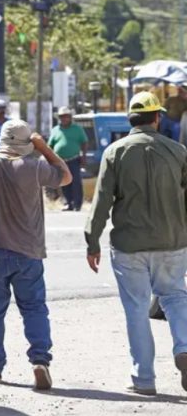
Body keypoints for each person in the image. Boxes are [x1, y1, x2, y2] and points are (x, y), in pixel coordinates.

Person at [85, 91, 187, 396]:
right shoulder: (178, 151)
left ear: (131, 119)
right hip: (172, 241)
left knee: (137, 309)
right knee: (175, 297)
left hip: (129, 246)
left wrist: (92, 242)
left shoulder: (115, 152)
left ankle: (144, 379)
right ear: (156, 118)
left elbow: (101, 202)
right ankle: (184, 347)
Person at [0, 119, 71, 391]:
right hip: (28, 251)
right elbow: (66, 176)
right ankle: (39, 359)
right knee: (33, 308)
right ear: (26, 143)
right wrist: (44, 147)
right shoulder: (35, 167)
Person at [48, 106, 88, 211]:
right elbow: (50, 145)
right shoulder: (55, 130)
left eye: (66, 116)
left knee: (76, 182)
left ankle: (77, 204)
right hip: (60, 160)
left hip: (74, 159)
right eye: (62, 117)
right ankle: (68, 203)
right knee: (64, 182)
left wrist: (83, 157)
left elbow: (84, 142)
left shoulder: (77, 129)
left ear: (70, 117)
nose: (64, 118)